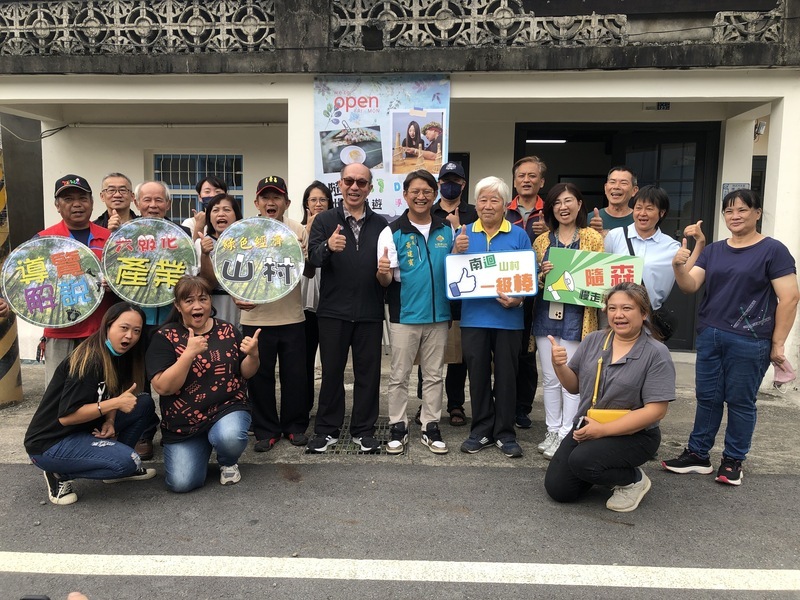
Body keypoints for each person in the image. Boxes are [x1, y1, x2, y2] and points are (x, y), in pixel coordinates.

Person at [662, 189, 799, 486]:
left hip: (752, 339)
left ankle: (733, 459)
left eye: (742, 210)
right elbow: (690, 285)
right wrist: (677, 266)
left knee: (740, 401)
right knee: (708, 398)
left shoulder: (773, 250)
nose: (734, 216)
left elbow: (789, 298)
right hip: (711, 333)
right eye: (729, 211)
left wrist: (777, 343)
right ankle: (698, 455)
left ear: (757, 213)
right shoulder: (714, 251)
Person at [544, 282, 675, 512]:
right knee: (559, 490)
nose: (618, 315)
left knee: (582, 461)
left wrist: (602, 431)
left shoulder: (656, 352)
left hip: (635, 434)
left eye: (627, 308)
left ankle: (632, 479)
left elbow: (656, 410)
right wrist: (559, 366)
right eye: (612, 308)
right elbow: (573, 387)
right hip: (588, 425)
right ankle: (598, 466)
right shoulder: (594, 340)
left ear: (644, 313)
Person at [24, 302, 157, 505]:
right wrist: (113, 404)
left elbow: (113, 390)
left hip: (83, 429)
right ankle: (58, 473)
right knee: (129, 461)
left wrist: (110, 421)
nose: (130, 336)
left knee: (144, 402)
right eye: (124, 328)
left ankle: (113, 461)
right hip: (51, 443)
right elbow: (67, 417)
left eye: (136, 331)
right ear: (108, 325)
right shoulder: (89, 360)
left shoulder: (119, 355)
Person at [147, 275, 260, 492]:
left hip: (226, 408)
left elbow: (246, 373)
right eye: (189, 301)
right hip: (184, 423)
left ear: (210, 302)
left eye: (203, 299)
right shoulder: (165, 336)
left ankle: (227, 460)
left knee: (229, 436)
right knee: (182, 483)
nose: (197, 306)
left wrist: (253, 355)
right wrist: (188, 354)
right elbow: (163, 387)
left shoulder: (227, 330)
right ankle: (205, 443)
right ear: (178, 306)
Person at [306, 163, 390, 453]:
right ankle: (327, 429)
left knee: (368, 375)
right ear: (339, 185)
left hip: (370, 310)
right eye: (349, 181)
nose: (355, 187)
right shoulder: (324, 221)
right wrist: (328, 246)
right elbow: (313, 260)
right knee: (331, 373)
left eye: (362, 182)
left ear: (369, 188)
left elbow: (387, 267)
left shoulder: (381, 224)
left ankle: (364, 430)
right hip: (332, 311)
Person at [378, 170, 454, 455]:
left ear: (434, 194)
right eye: (415, 191)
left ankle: (430, 425)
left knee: (434, 375)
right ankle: (397, 425)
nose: (421, 196)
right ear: (405, 195)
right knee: (399, 375)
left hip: (438, 315)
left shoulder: (447, 229)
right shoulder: (392, 230)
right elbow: (385, 281)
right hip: (405, 315)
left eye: (426, 191)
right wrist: (382, 272)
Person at [454, 176, 530, 458]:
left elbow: (527, 274)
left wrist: (519, 298)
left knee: (508, 376)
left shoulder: (519, 234)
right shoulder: (464, 233)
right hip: (474, 318)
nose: (488, 205)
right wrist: (455, 250)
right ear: (476, 204)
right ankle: (481, 429)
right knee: (478, 375)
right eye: (483, 200)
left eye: (494, 200)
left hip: (508, 318)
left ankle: (505, 432)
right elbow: (453, 274)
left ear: (504, 205)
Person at [237, 176, 310, 451]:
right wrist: (236, 295)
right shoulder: (244, 232)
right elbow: (233, 271)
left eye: (277, 197)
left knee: (295, 376)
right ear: (256, 203)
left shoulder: (297, 230)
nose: (271, 202)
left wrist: (305, 254)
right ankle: (265, 429)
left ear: (287, 203)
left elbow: (309, 271)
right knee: (259, 376)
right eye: (265, 197)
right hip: (255, 318)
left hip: (292, 316)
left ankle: (294, 426)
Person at [533, 182, 604, 460]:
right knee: (550, 378)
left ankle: (566, 432)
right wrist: (542, 274)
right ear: (551, 208)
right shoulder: (541, 241)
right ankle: (551, 429)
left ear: (579, 205)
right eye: (558, 202)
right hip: (545, 313)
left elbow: (599, 279)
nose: (563, 207)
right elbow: (533, 282)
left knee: (571, 377)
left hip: (578, 315)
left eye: (569, 201)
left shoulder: (592, 238)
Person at [131, 179, 195, 460]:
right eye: (147, 200)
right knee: (136, 379)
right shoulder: (125, 235)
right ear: (137, 204)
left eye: (159, 200)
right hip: (136, 319)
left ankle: (177, 427)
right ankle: (142, 433)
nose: (153, 205)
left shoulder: (181, 234)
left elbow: (190, 274)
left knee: (175, 375)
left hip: (171, 319)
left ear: (168, 204)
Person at [39, 174, 113, 387]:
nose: (77, 204)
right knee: (57, 394)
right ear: (57, 205)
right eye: (68, 199)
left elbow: (125, 280)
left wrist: (113, 285)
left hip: (99, 330)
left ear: (91, 202)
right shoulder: (44, 241)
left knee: (98, 390)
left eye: (82, 198)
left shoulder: (110, 240)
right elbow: (28, 282)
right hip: (59, 332)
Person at [424, 161, 478, 427]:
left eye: (455, 180)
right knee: (429, 355)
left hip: (462, 294)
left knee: (458, 356)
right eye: (445, 180)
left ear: (463, 185)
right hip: (432, 294)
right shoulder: (427, 211)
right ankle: (427, 404)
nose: (450, 184)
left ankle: (455, 404)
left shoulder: (475, 214)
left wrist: (458, 230)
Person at [506, 156, 549, 429]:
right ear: (514, 180)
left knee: (527, 352)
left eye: (532, 176)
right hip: (506, 288)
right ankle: (502, 403)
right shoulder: (502, 208)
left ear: (541, 181)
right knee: (503, 351)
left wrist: (549, 231)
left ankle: (522, 407)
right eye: (521, 175)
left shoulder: (553, 210)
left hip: (539, 293)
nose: (526, 180)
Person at [603, 185, 685, 313]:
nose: (642, 213)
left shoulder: (672, 247)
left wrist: (699, 245)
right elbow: (601, 270)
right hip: (615, 313)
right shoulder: (615, 236)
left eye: (649, 209)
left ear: (661, 213)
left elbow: (686, 282)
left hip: (649, 315)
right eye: (638, 208)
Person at [300, 181, 332, 418]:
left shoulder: (337, 230)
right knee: (305, 361)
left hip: (330, 305)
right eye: (313, 200)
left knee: (332, 363)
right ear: (306, 204)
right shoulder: (297, 230)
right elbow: (307, 270)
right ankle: (305, 406)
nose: (318, 204)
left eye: (322, 200)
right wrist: (309, 234)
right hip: (303, 306)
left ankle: (328, 409)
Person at [197, 193, 244, 328]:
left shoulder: (247, 244)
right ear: (209, 217)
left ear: (236, 216)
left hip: (241, 306)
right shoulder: (202, 243)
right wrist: (205, 254)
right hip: (214, 303)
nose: (221, 214)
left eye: (227, 210)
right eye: (215, 210)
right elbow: (207, 284)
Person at [589, 166, 639, 236]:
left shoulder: (640, 219)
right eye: (612, 182)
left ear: (634, 190)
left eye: (623, 183)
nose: (616, 187)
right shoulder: (590, 219)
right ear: (605, 188)